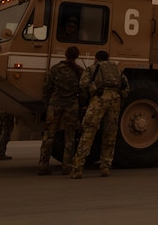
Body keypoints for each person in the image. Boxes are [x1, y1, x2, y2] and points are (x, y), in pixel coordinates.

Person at [69, 50, 129, 179]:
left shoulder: (92, 68)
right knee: (110, 134)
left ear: (96, 58)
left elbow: (83, 84)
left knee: (88, 133)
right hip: (115, 100)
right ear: (108, 58)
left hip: (99, 100)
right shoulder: (116, 70)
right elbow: (125, 87)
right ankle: (105, 167)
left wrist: (87, 98)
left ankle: (77, 168)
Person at [38, 45, 84, 175]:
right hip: (71, 106)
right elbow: (83, 91)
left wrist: (46, 103)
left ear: (65, 55)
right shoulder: (79, 71)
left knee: (49, 135)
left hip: (55, 104)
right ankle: (67, 166)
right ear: (77, 56)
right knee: (70, 137)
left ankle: (43, 165)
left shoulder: (55, 69)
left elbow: (46, 87)